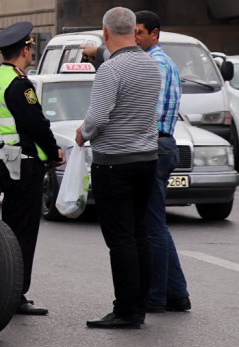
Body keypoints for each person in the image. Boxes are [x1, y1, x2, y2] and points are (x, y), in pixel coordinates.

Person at [76, 7, 161, 329]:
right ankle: (139, 304)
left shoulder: (111, 69)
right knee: (140, 234)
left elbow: (97, 117)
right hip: (146, 159)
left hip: (115, 162)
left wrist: (82, 134)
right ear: (133, 31)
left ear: (106, 33)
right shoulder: (150, 65)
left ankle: (125, 309)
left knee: (121, 239)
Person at [0, 22, 65, 316]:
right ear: (25, 50)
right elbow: (36, 123)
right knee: (24, 232)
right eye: (31, 48)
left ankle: (6, 287)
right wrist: (55, 150)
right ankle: (16, 294)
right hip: (26, 164)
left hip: (7, 163)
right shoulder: (20, 85)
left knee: (12, 227)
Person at [134, 10, 191, 314]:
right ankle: (177, 294)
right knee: (156, 223)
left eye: (140, 32)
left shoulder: (153, 64)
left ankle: (156, 296)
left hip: (154, 144)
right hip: (164, 143)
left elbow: (149, 114)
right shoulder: (165, 62)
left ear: (155, 34)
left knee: (151, 225)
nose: (136, 37)